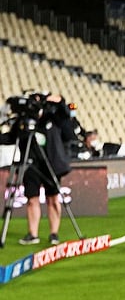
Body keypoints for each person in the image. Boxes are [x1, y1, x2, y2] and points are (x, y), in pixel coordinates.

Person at [12, 93, 73, 246]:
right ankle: (33, 234)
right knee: (32, 200)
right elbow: (12, 136)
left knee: (53, 198)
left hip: (50, 164)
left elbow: (65, 116)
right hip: (30, 164)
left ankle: (54, 233)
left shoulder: (52, 117)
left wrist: (60, 101)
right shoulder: (24, 121)